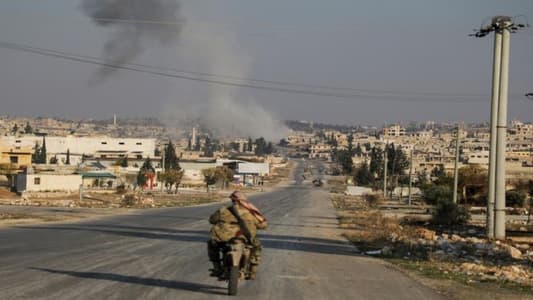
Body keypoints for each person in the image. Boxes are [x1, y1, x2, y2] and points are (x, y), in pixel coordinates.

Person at [207, 191, 267, 280]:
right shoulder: (251, 212)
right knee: (256, 247)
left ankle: (217, 268)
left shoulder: (223, 210)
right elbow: (262, 225)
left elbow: (212, 220)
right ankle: (252, 271)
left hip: (224, 238)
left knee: (212, 244)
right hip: (245, 238)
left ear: (232, 200)